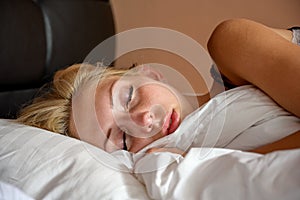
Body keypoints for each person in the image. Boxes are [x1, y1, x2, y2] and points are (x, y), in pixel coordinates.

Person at [16, 18, 300, 154]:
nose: (144, 119)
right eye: (123, 139)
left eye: (127, 97)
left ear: (150, 74)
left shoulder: (232, 45)